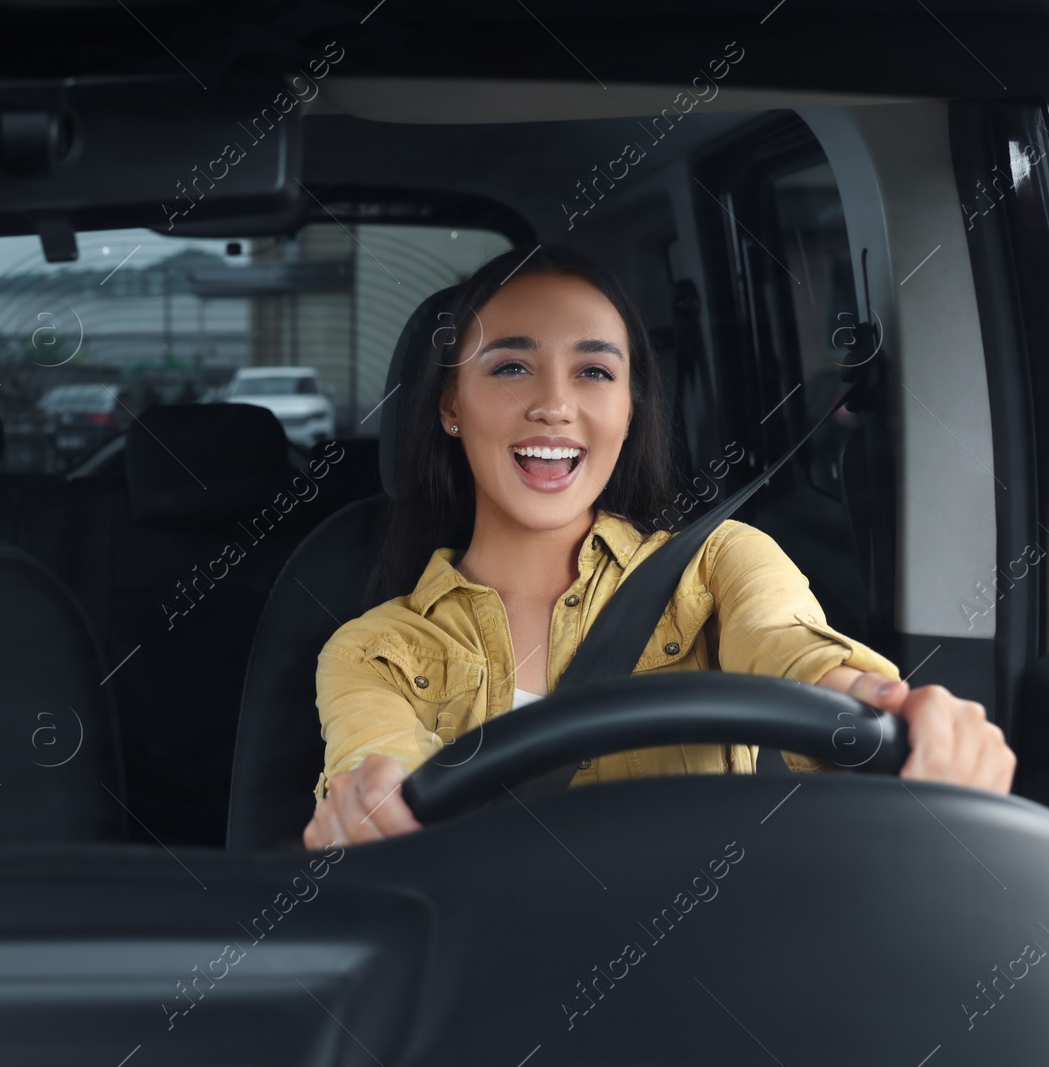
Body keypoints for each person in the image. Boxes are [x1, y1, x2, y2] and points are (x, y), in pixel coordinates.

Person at [303, 246, 1015, 850]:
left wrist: (894, 713)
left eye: (595, 371)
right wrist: (366, 802)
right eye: (511, 367)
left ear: (629, 406)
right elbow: (375, 757)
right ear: (450, 407)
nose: (555, 404)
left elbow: (797, 654)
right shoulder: (374, 648)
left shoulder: (719, 563)